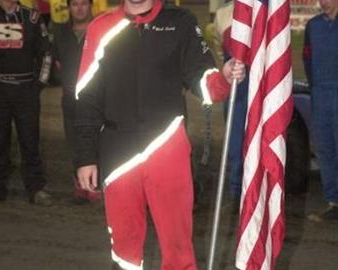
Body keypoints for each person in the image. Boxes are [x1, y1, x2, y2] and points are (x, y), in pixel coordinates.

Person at [75, 0, 245, 269]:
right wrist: (85, 156)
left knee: (177, 246)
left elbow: (205, 81)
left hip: (167, 147)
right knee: (124, 250)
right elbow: (86, 97)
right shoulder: (100, 28)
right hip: (119, 153)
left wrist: (223, 77)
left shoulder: (181, 21)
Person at [0, 0, 52, 206]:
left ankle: (36, 189)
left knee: (30, 140)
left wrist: (39, 84)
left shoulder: (32, 17)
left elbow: (46, 53)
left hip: (26, 90)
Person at [52, 0, 101, 204]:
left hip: (95, 97)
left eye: (83, 4)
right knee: (74, 141)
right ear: (69, 8)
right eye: (75, 5)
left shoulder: (100, 30)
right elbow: (56, 62)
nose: (79, 8)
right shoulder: (60, 33)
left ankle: (96, 185)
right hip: (70, 97)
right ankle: (80, 186)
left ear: (91, 6)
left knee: (96, 140)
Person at [303, 0, 338, 221]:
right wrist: (315, 86)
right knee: (325, 148)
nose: (323, 2)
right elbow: (307, 58)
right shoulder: (313, 26)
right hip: (320, 94)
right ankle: (334, 202)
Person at [213, 0, 248, 200]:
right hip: (235, 82)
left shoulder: (261, 10)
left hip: (257, 80)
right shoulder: (223, 14)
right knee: (235, 140)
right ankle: (236, 192)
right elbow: (220, 50)